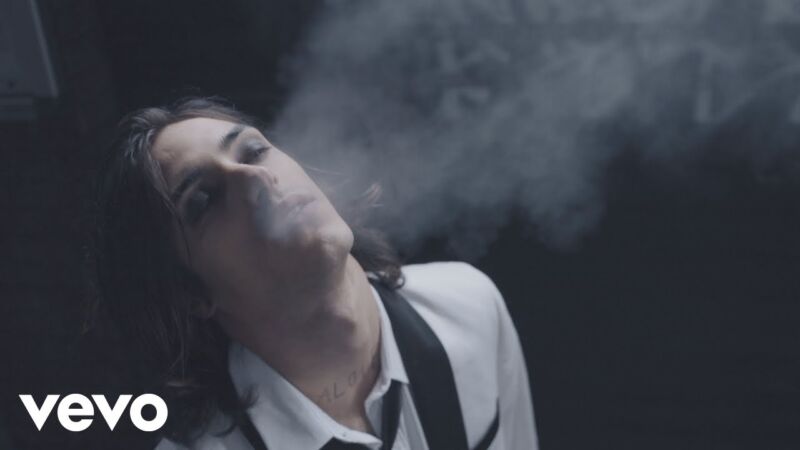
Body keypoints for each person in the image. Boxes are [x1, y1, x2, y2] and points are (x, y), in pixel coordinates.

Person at [88, 97, 538, 449]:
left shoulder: (470, 307)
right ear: (191, 295)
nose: (255, 179)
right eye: (204, 199)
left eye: (254, 150)